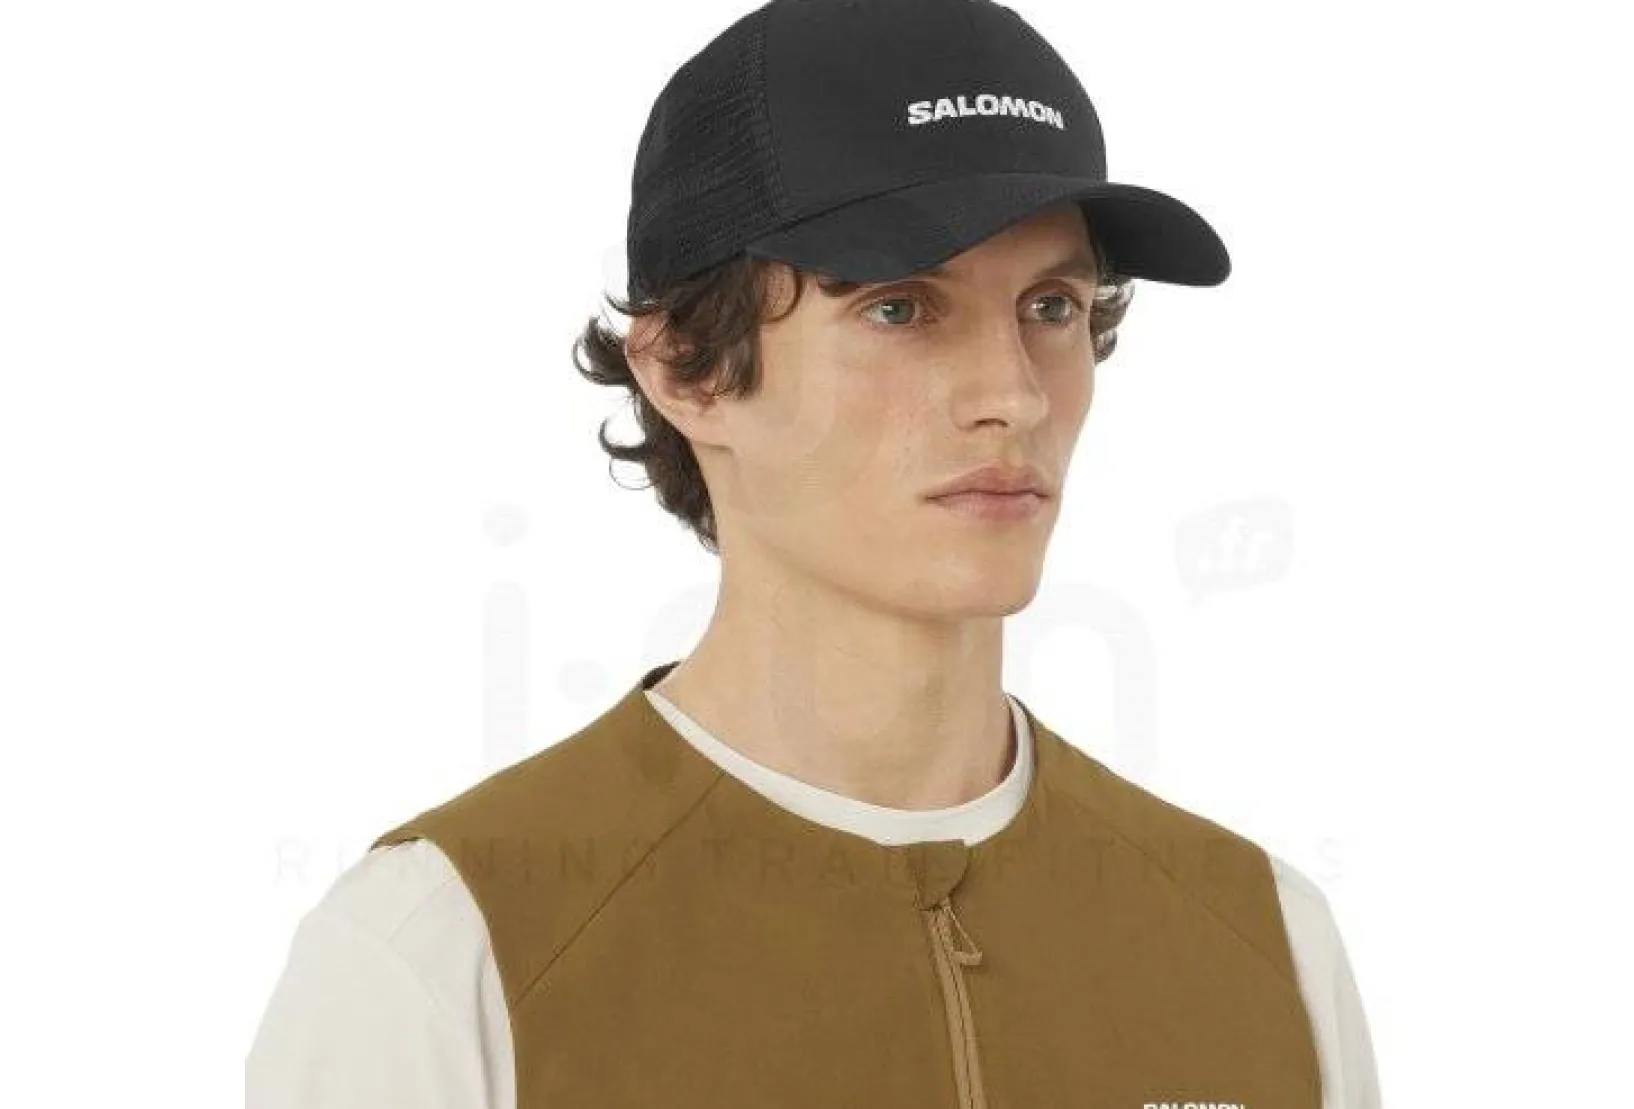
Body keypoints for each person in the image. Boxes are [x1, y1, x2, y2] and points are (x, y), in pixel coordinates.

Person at [247, 1, 1382, 1106]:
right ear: (686, 367)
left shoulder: (1266, 945)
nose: (1012, 394)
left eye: (1050, 305)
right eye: (899, 309)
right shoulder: (445, 955)